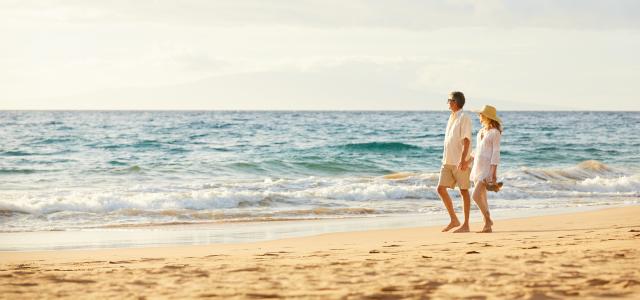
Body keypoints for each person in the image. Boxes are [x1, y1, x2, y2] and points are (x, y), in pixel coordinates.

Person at [437, 91, 473, 233]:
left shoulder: (464, 118)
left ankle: (466, 224)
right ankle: (454, 219)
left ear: (455, 102)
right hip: (447, 161)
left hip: (460, 162)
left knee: (464, 191)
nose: (447, 102)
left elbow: (466, 140)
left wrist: (463, 160)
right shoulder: (451, 117)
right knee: (440, 189)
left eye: (449, 100)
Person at [469, 105, 503, 233]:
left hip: (487, 168)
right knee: (482, 197)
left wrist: (493, 172)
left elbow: (496, 153)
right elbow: (478, 150)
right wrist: (467, 161)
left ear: (487, 117)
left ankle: (488, 220)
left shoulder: (495, 132)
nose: (479, 116)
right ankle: (487, 225)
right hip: (478, 165)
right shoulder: (481, 132)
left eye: (481, 114)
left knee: (476, 196)